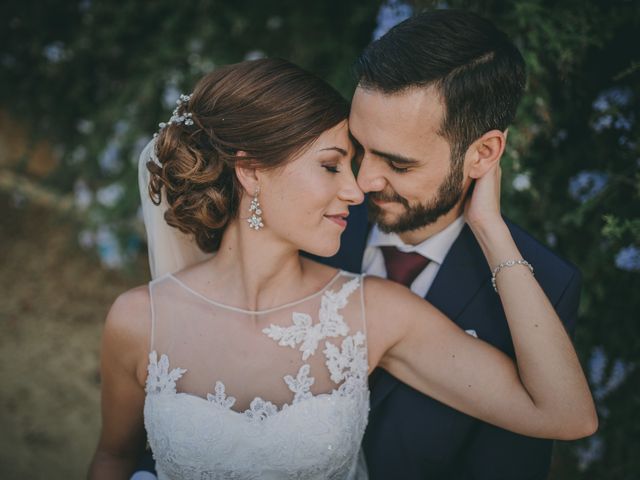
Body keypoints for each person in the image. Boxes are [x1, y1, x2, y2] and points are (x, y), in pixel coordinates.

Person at [88, 57, 596, 480]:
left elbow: (565, 414)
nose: (357, 190)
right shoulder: (139, 321)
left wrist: (487, 224)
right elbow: (115, 456)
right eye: (333, 165)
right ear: (249, 171)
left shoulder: (374, 311)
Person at [315, 9, 589, 480]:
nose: (362, 181)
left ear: (482, 154)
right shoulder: (309, 219)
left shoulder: (542, 288)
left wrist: (489, 227)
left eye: (398, 165)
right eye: (359, 147)